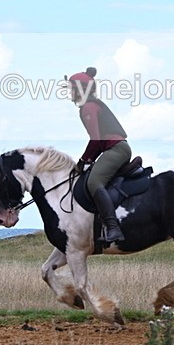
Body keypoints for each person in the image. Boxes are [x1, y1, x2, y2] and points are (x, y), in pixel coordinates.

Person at [69, 67, 130, 243]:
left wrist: (83, 160)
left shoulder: (88, 107)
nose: (70, 92)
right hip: (114, 148)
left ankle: (113, 228)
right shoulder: (92, 105)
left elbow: (95, 139)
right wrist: (88, 159)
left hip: (116, 149)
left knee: (94, 182)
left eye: (72, 88)